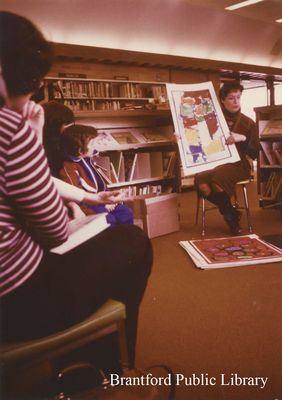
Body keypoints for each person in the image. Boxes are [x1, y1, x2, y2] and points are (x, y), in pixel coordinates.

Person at [0, 11, 152, 371]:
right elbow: (53, 231)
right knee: (132, 242)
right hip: (17, 303)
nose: (34, 92)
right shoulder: (11, 127)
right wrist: (31, 138)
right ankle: (101, 372)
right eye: (33, 80)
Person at [194, 81, 260, 234]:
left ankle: (232, 222)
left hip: (239, 165)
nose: (236, 101)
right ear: (222, 101)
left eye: (238, 97)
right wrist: (181, 136)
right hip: (215, 163)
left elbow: (254, 153)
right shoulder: (212, 119)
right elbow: (198, 139)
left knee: (217, 180)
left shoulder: (248, 122)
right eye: (231, 98)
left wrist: (242, 138)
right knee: (200, 182)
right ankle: (231, 211)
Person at [59, 123, 134, 225]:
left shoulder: (86, 159)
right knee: (108, 220)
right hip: (87, 204)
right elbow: (77, 197)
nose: (94, 147)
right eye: (91, 144)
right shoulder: (67, 168)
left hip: (100, 199)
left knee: (126, 213)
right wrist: (102, 205)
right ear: (79, 150)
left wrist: (110, 199)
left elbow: (99, 183)